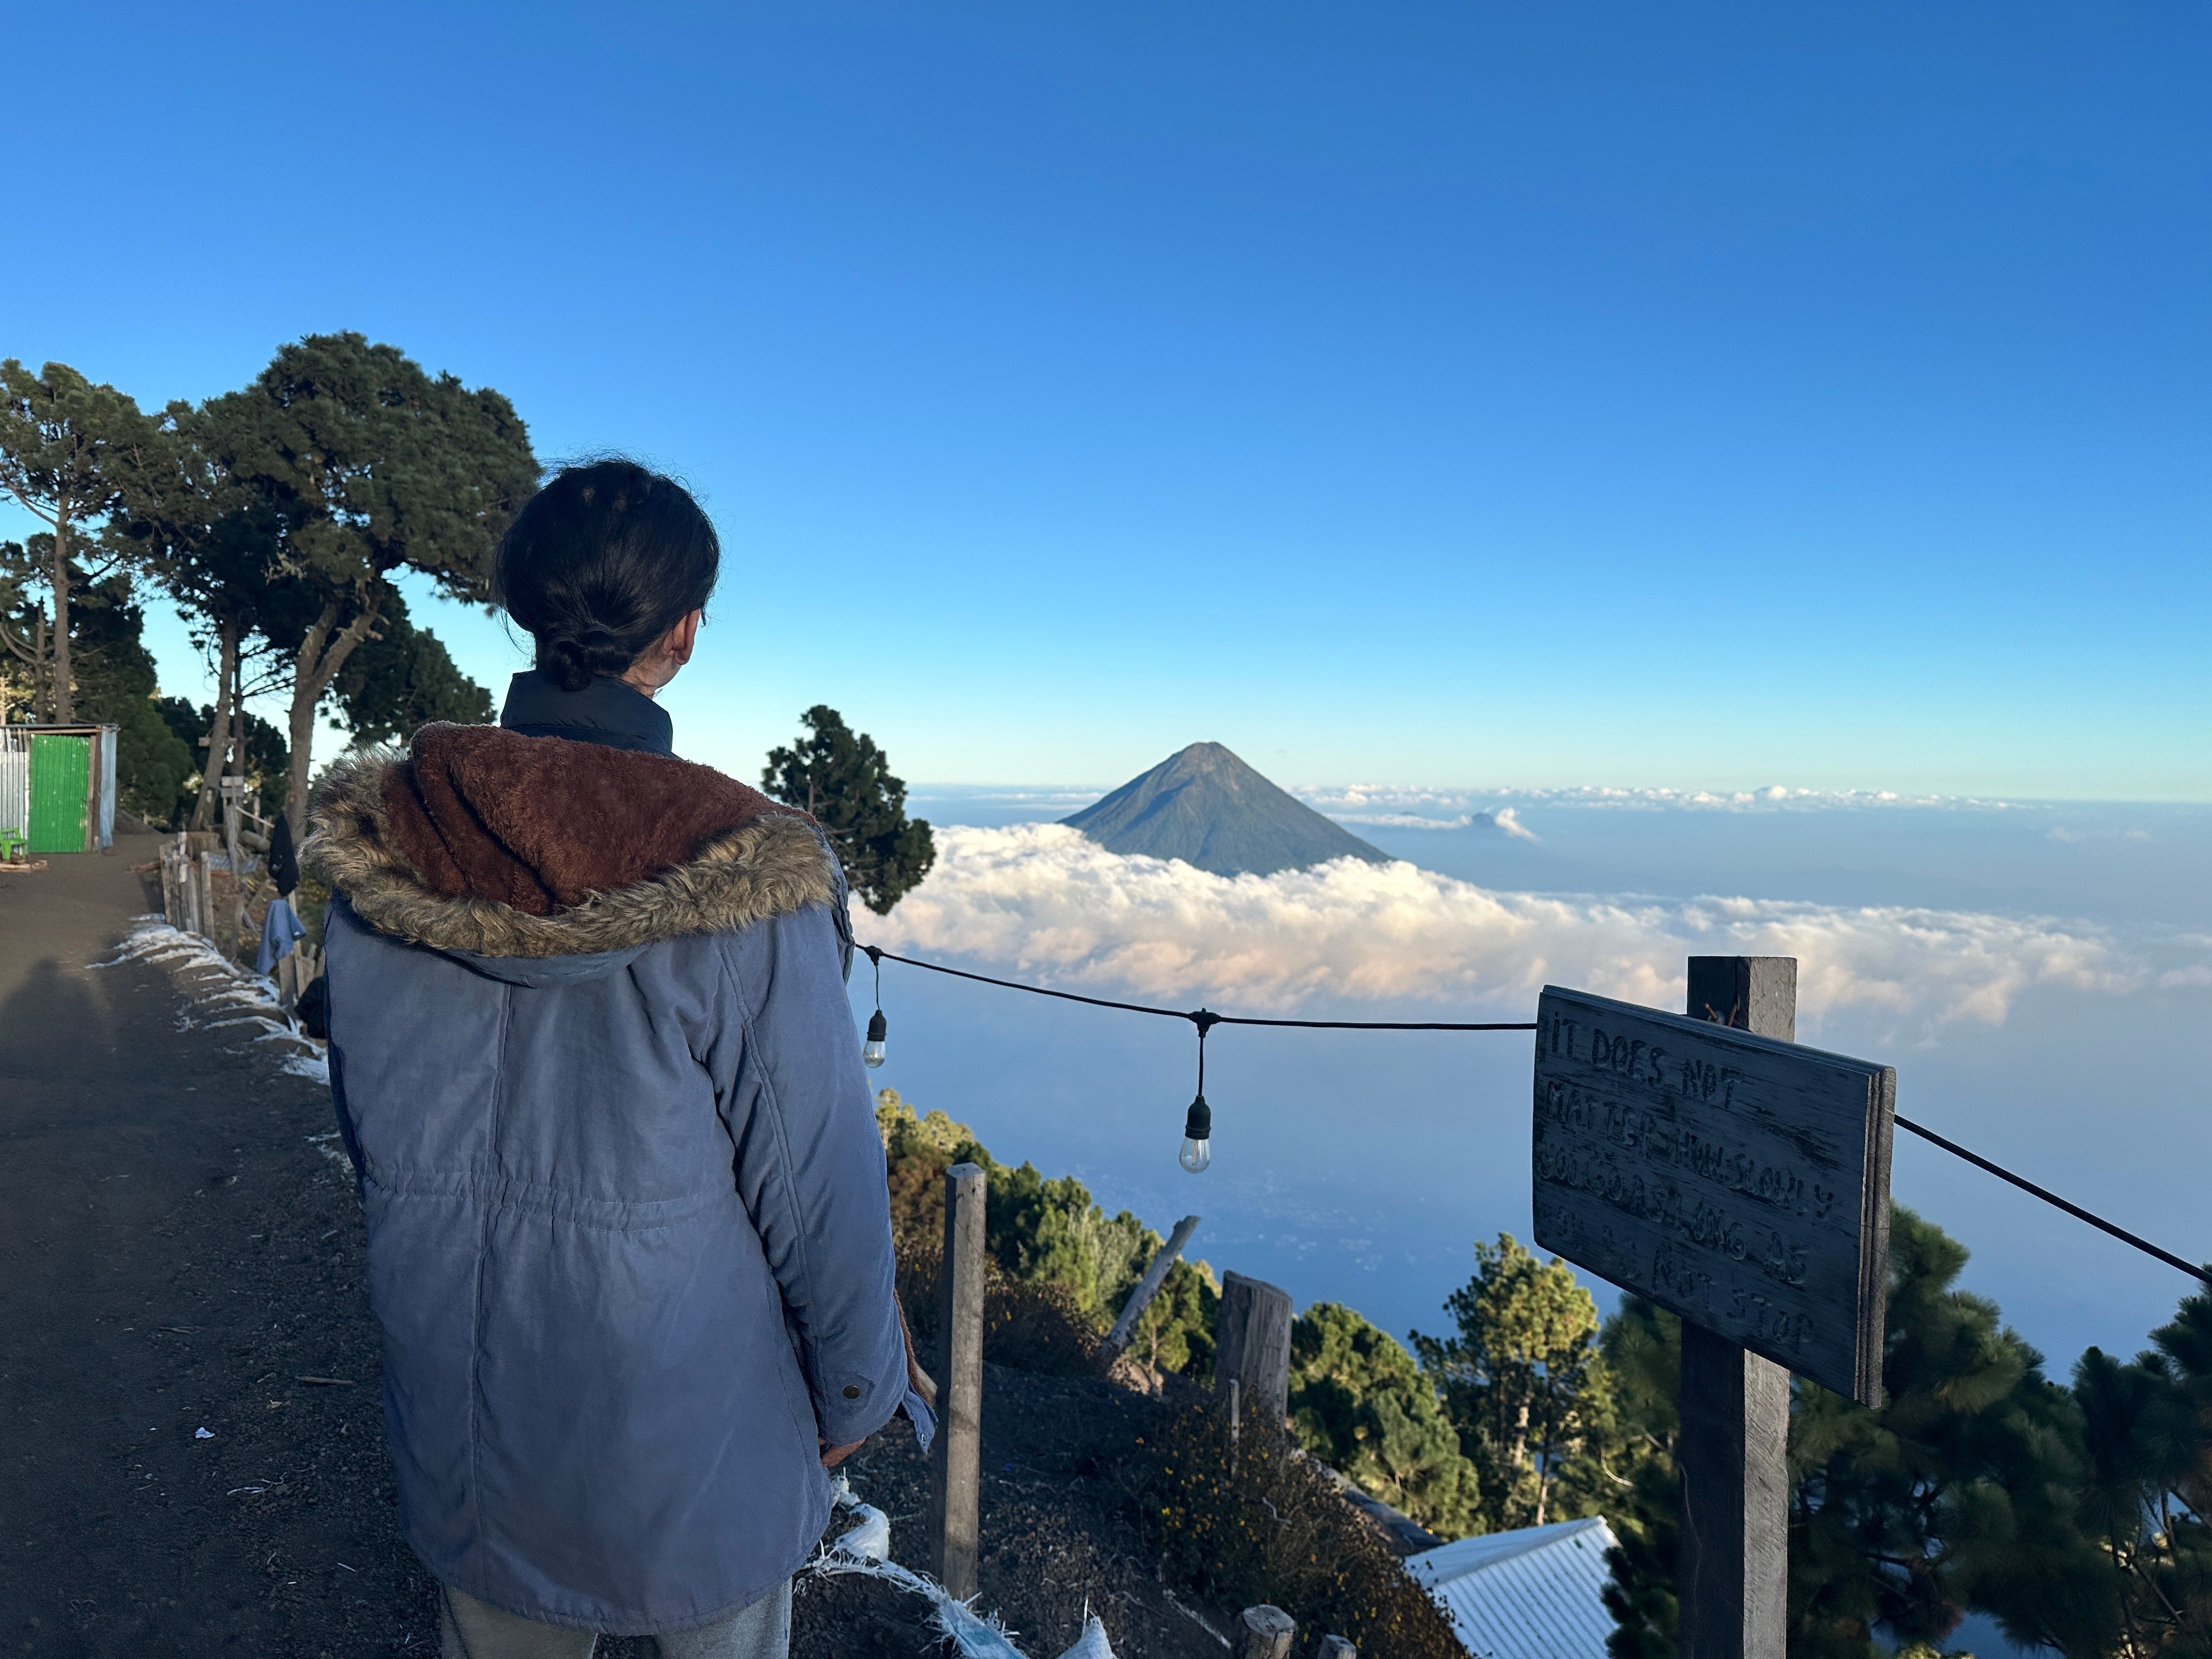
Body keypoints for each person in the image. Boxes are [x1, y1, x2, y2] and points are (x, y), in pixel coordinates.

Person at [304, 460, 922, 1658]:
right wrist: (858, 1392)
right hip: (698, 1451)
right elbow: (819, 1183)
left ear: (524, 608)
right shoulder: (744, 871)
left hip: (469, 1422)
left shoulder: (388, 847)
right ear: (683, 633)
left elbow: (368, 1129)